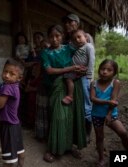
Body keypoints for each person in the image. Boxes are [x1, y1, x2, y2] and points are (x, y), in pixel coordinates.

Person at [41, 25, 87, 163]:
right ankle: (53, 149)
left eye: (58, 36)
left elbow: (83, 54)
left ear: (62, 37)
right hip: (57, 87)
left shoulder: (69, 48)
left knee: (72, 117)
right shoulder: (45, 53)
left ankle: (70, 146)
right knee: (58, 117)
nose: (54, 39)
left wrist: (84, 69)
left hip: (74, 84)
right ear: (48, 37)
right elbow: (49, 71)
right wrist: (71, 68)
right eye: (52, 36)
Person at [90, 59, 128, 167]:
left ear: (114, 73)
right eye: (103, 69)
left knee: (123, 133)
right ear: (99, 70)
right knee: (99, 136)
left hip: (111, 114)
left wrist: (108, 114)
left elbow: (114, 99)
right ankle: (101, 159)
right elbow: (93, 99)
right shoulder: (94, 83)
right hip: (96, 114)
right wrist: (107, 101)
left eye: (109, 70)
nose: (105, 72)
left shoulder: (115, 83)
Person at [63, 13, 95, 143]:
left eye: (71, 22)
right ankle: (76, 132)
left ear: (77, 23)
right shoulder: (66, 39)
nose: (68, 25)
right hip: (73, 74)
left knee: (86, 103)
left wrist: (88, 74)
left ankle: (87, 132)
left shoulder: (86, 37)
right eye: (66, 22)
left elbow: (90, 57)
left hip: (83, 76)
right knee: (76, 104)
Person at [0, 58, 25, 167]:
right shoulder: (15, 86)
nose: (7, 75)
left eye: (12, 74)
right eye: (5, 71)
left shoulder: (7, 87)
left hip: (7, 125)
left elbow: (0, 104)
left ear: (19, 78)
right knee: (19, 149)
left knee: (9, 159)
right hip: (15, 123)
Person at [24, 63, 41, 128]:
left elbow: (39, 88)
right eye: (33, 69)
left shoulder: (40, 78)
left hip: (36, 98)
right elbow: (26, 89)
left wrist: (32, 89)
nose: (34, 70)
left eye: (35, 69)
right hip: (30, 98)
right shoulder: (31, 78)